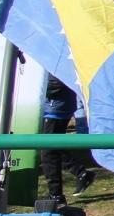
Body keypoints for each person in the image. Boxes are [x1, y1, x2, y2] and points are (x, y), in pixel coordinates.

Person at [38, 74, 95, 204]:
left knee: (48, 153)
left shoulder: (54, 56)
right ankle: (81, 174)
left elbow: (57, 83)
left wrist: (37, 90)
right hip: (55, 106)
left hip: (55, 108)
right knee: (52, 147)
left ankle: (56, 195)